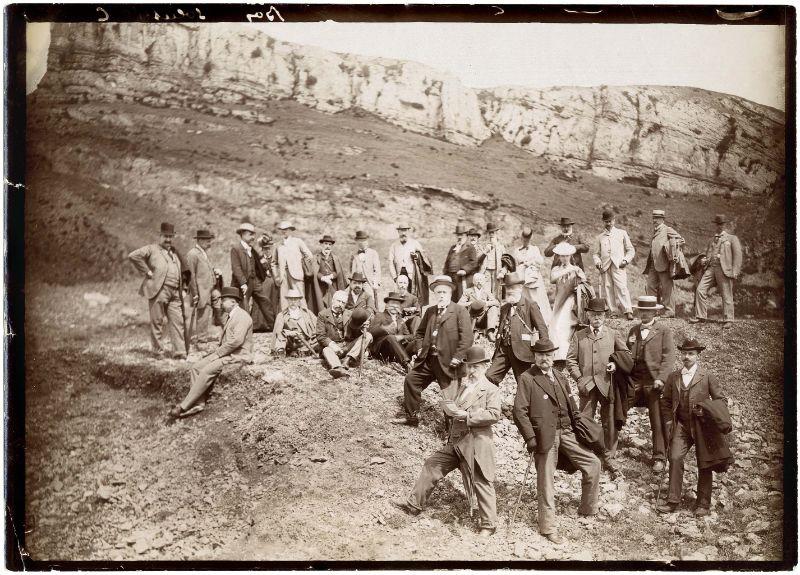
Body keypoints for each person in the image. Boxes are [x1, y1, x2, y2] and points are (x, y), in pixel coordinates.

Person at [393, 346, 500, 536]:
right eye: (469, 367)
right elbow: (456, 409)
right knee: (433, 464)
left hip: (476, 442)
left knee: (482, 480)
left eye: (476, 367)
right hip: (457, 442)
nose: (472, 371)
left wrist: (467, 415)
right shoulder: (464, 387)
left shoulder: (490, 389)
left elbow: (493, 414)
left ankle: (488, 525)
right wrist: (450, 409)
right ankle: (414, 504)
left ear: (485, 366)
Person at [513, 338, 601, 545]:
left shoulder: (561, 376)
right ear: (535, 356)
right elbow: (520, 411)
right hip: (545, 437)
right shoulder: (527, 378)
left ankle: (587, 509)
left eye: (549, 354)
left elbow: (572, 405)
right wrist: (531, 438)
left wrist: (582, 428)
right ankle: (548, 528)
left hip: (568, 432)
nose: (545, 358)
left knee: (593, 464)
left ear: (554, 356)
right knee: (546, 482)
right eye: (541, 355)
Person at [657, 338, 732, 516]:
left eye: (691, 354)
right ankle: (672, 500)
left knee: (705, 463)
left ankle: (703, 504)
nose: (687, 357)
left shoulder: (706, 376)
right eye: (684, 353)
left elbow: (721, 400)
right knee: (674, 457)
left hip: (702, 427)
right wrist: (668, 421)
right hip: (681, 425)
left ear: (697, 355)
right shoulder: (673, 376)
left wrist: (706, 411)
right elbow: (665, 401)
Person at [392, 276, 473, 426]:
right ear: (435, 295)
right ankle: (412, 417)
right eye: (438, 292)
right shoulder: (430, 311)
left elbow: (467, 338)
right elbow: (420, 334)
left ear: (450, 294)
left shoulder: (460, 311)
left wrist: (458, 357)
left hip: (449, 363)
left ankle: (452, 434)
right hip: (428, 360)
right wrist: (420, 347)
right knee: (411, 380)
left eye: (444, 292)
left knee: (450, 401)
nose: (441, 295)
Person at [168, 287, 253, 418]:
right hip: (227, 353)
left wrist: (217, 354)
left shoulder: (242, 316)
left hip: (238, 354)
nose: (220, 303)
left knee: (206, 370)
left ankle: (184, 406)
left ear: (233, 302)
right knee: (196, 367)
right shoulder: (231, 316)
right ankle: (199, 403)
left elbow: (236, 341)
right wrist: (216, 352)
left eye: (223, 300)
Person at [567, 297, 629, 460]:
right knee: (585, 419)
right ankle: (587, 450)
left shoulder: (612, 334)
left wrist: (615, 365)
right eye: (593, 314)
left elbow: (626, 355)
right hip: (586, 385)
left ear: (604, 316)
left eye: (600, 315)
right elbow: (570, 360)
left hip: (607, 384)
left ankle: (609, 453)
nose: (597, 318)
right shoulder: (579, 335)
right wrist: (579, 378)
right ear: (588, 315)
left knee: (609, 419)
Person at [627, 295, 674, 471]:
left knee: (657, 419)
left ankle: (659, 457)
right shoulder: (633, 330)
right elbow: (627, 354)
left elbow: (669, 357)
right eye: (641, 311)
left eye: (648, 311)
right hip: (635, 379)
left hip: (653, 380)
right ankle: (609, 448)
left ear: (655, 312)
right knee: (617, 408)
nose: (644, 314)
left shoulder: (663, 331)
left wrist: (661, 378)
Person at [128, 222, 187, 359]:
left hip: (175, 292)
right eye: (165, 236)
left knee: (177, 321)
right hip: (159, 290)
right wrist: (147, 271)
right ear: (160, 236)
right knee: (157, 321)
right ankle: (158, 351)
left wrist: (182, 288)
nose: (168, 239)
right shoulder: (152, 249)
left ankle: (179, 352)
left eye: (171, 236)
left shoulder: (174, 252)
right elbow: (133, 255)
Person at [485, 272, 549, 385]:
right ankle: (491, 402)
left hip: (522, 351)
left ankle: (527, 402)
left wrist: (544, 352)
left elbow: (542, 328)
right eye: (507, 287)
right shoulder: (504, 307)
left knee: (524, 383)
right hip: (503, 350)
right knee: (490, 377)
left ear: (520, 287)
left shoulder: (530, 305)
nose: (509, 290)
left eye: (512, 287)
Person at [690, 215, 743, 326]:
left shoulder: (732, 239)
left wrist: (735, 271)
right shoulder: (712, 240)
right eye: (718, 224)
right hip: (710, 269)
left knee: (726, 293)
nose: (719, 226)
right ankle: (701, 316)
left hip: (724, 270)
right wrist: (705, 260)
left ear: (725, 225)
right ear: (715, 225)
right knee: (700, 290)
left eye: (722, 224)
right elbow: (708, 253)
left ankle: (728, 319)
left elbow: (738, 256)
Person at [316, 290, 373, 379]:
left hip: (347, 346)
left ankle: (347, 360)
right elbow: (320, 335)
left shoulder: (349, 314)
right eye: (338, 301)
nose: (340, 304)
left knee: (368, 335)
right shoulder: (322, 315)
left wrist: (362, 327)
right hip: (332, 347)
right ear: (332, 300)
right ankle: (338, 368)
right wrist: (333, 345)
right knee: (326, 349)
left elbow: (355, 332)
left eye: (343, 302)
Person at [230, 219, 275, 330]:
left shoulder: (251, 249)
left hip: (255, 282)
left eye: (253, 234)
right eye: (251, 234)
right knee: (243, 306)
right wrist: (243, 283)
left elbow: (257, 264)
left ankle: (275, 327)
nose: (253, 237)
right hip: (244, 283)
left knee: (265, 302)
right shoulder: (236, 249)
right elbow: (236, 268)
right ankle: (242, 331)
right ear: (243, 234)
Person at [549, 242, 588, 366]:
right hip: (559, 299)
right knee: (554, 325)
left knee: (564, 325)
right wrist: (567, 270)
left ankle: (564, 356)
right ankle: (556, 354)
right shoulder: (556, 269)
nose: (564, 258)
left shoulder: (576, 269)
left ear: (570, 256)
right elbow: (552, 279)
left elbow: (584, 281)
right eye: (562, 256)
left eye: (566, 256)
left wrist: (579, 284)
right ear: (559, 257)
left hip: (570, 300)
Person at [592, 210, 636, 320]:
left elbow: (631, 250)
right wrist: (597, 262)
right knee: (607, 288)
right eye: (606, 221)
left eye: (610, 221)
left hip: (619, 265)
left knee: (622, 287)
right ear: (603, 222)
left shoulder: (622, 233)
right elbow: (595, 254)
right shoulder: (600, 237)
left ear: (614, 220)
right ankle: (613, 311)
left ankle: (628, 310)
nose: (608, 223)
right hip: (605, 266)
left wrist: (625, 260)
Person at [644, 209, 685, 318]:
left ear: (662, 219)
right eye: (654, 218)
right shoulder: (655, 231)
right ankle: (653, 310)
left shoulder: (667, 230)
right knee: (650, 286)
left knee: (667, 287)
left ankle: (670, 310)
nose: (654, 220)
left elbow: (681, 240)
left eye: (657, 218)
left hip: (665, 263)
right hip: (653, 263)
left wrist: (670, 246)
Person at [185, 229, 222, 345]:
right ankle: (201, 339)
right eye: (207, 240)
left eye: (210, 240)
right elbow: (191, 275)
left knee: (217, 308)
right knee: (203, 313)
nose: (209, 243)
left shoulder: (203, 253)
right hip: (201, 290)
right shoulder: (192, 254)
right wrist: (195, 293)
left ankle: (222, 333)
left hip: (210, 288)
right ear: (200, 240)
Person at [513, 226, 552, 325]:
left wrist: (529, 263)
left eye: (528, 239)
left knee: (536, 300)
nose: (525, 241)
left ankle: (541, 322)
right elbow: (514, 264)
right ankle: (525, 323)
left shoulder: (534, 249)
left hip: (533, 279)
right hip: (521, 280)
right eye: (524, 239)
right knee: (523, 300)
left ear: (530, 239)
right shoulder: (517, 251)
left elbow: (540, 261)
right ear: (521, 238)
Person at [388, 223, 433, 306]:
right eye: (401, 231)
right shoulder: (394, 245)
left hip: (413, 276)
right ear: (398, 232)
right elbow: (390, 262)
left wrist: (417, 256)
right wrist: (394, 277)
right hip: (400, 275)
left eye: (405, 230)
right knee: (400, 297)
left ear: (408, 231)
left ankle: (416, 316)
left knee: (414, 296)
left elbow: (424, 256)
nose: (403, 233)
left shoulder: (415, 243)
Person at [369, 292, 415, 370]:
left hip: (397, 351)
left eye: (397, 304)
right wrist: (385, 329)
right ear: (386, 305)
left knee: (418, 340)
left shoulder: (400, 320)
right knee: (390, 337)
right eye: (392, 303)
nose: (394, 306)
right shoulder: (380, 315)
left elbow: (411, 336)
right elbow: (371, 331)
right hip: (382, 350)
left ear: (400, 307)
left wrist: (401, 337)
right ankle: (407, 365)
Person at [276, 220, 314, 310]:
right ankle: (286, 321)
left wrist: (300, 264)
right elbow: (273, 263)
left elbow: (309, 255)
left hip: (296, 275)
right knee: (284, 301)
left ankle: (305, 321)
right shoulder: (278, 245)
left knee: (300, 299)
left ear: (290, 230)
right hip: (283, 276)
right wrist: (276, 276)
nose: (283, 231)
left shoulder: (297, 241)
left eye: (286, 229)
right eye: (282, 229)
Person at [307, 234, 346, 314]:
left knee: (333, 305)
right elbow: (314, 271)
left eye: (329, 244)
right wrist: (323, 278)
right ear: (321, 245)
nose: (327, 246)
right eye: (325, 244)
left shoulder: (335, 258)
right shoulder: (316, 257)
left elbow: (338, 271)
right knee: (320, 306)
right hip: (320, 287)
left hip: (332, 286)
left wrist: (331, 276)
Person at [273, 288, 318, 357]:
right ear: (287, 300)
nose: (293, 302)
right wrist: (289, 333)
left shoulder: (307, 313)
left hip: (307, 341)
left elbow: (317, 325)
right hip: (291, 342)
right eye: (290, 299)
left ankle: (303, 351)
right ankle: (281, 353)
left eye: (295, 299)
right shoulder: (282, 315)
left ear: (299, 300)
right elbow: (278, 332)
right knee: (281, 336)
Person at [458, 271, 500, 341]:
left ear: (484, 282)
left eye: (481, 280)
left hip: (483, 317)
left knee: (494, 308)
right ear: (474, 281)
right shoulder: (468, 291)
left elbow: (497, 302)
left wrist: (485, 303)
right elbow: (459, 304)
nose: (479, 282)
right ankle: (474, 332)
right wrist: (470, 303)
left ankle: (490, 332)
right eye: (477, 280)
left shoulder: (486, 292)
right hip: (471, 317)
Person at [443, 224, 479, 302]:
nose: (459, 237)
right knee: (451, 297)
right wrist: (445, 274)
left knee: (461, 298)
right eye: (458, 235)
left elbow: (474, 262)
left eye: (461, 235)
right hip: (451, 277)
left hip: (463, 278)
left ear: (466, 235)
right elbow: (447, 262)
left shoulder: (470, 248)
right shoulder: (453, 248)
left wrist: (464, 270)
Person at [350, 230, 382, 310]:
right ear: (357, 242)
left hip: (368, 282)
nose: (362, 242)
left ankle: (371, 317)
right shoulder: (354, 255)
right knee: (351, 300)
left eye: (364, 240)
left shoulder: (373, 253)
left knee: (370, 301)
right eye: (359, 240)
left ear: (367, 241)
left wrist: (376, 282)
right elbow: (351, 270)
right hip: (356, 282)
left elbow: (377, 270)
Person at [479, 222, 506, 300]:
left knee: (496, 292)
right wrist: (486, 251)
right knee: (485, 291)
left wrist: (502, 272)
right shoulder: (484, 245)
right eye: (490, 232)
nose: (491, 234)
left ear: (496, 232)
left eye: (493, 232)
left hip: (496, 271)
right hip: (486, 271)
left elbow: (506, 261)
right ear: (488, 233)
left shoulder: (500, 246)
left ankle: (496, 310)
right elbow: (479, 259)